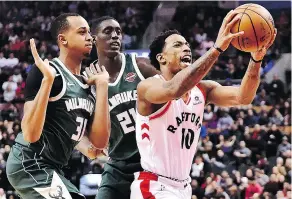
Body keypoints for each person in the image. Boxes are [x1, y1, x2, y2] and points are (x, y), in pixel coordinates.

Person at [131, 9, 277, 199]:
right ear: (161, 58)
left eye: (187, 44)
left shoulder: (203, 90)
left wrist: (256, 58)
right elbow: (174, 90)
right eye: (177, 45)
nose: (186, 48)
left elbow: (243, 97)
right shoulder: (148, 87)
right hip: (154, 185)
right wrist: (216, 48)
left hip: (183, 187)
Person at [6, 13, 110, 199]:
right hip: (29, 162)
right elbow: (30, 134)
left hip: (53, 167)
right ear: (63, 40)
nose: (90, 37)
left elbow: (95, 146)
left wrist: (102, 87)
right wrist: (47, 82)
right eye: (82, 32)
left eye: (90, 32)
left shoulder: (89, 83)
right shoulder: (47, 72)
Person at [90, 16, 159, 199]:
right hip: (118, 166)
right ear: (94, 39)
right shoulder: (89, 81)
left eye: (118, 32)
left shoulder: (140, 66)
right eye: (108, 32)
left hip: (152, 163)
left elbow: (172, 90)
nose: (115, 36)